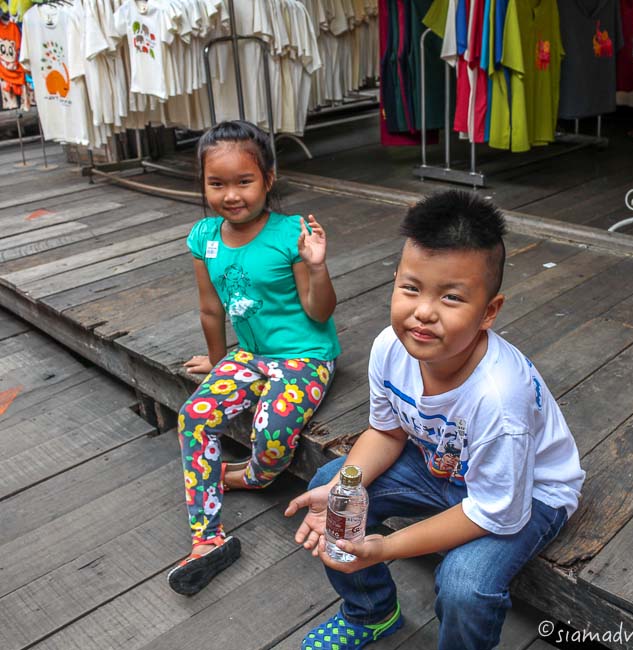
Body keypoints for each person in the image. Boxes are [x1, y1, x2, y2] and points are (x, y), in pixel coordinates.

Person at [285, 191, 585, 650]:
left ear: (489, 311)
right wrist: (345, 488)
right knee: (335, 487)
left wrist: (384, 547)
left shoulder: (499, 398)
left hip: (526, 491)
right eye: (411, 288)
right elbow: (386, 433)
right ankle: (371, 614)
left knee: (465, 583)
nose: (424, 311)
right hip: (442, 466)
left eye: (451, 297)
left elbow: (493, 511)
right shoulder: (390, 346)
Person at [168, 120, 341, 596]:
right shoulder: (204, 237)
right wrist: (217, 359)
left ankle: (249, 476)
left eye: (243, 181)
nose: (231, 195)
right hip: (250, 354)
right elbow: (210, 307)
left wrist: (319, 265)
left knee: (273, 428)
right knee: (194, 415)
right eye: (216, 183)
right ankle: (207, 540)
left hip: (304, 356)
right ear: (202, 184)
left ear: (268, 177)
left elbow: (320, 311)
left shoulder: (293, 234)